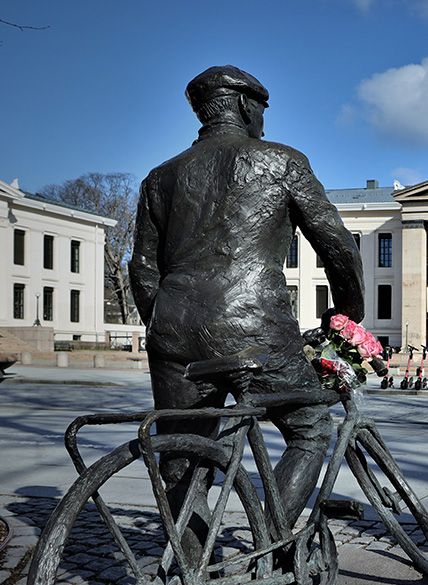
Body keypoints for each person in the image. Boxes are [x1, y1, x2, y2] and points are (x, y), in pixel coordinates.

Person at [129, 65, 365, 543]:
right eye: (261, 108)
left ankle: (190, 564)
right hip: (253, 326)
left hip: (173, 330)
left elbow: (142, 269)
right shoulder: (282, 161)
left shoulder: (160, 177)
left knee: (183, 454)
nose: (263, 119)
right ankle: (268, 542)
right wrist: (348, 311)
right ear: (242, 104)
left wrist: (165, 321)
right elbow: (335, 241)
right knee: (311, 429)